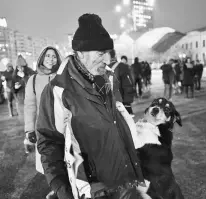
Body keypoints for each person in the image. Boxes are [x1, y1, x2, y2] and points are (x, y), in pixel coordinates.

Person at [36, 13, 145, 199]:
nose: (107, 59)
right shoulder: (58, 90)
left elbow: (113, 126)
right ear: (80, 53)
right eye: (100, 53)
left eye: (108, 53)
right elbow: (49, 142)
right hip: (93, 189)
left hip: (124, 180)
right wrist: (63, 191)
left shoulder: (106, 79)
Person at [23, 46, 62, 199]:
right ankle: (56, 189)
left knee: (65, 158)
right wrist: (29, 129)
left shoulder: (62, 76)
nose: (50, 59)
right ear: (42, 58)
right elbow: (30, 106)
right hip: (43, 127)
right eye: (47, 56)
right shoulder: (33, 80)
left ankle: (66, 188)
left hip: (62, 125)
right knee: (49, 161)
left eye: (54, 56)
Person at [108, 51, 135, 116]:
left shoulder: (97, 68)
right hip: (120, 102)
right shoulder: (122, 67)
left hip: (106, 105)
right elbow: (128, 85)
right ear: (115, 56)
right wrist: (127, 104)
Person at [12, 55, 34, 119]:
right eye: (18, 67)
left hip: (31, 99)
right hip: (21, 99)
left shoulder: (30, 72)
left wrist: (24, 76)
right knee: (24, 118)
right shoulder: (15, 75)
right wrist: (15, 88)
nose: (20, 69)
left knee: (32, 118)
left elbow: (33, 83)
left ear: (25, 66)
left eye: (22, 67)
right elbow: (12, 88)